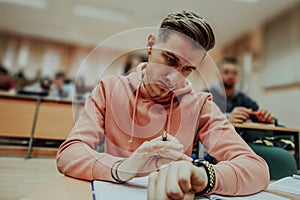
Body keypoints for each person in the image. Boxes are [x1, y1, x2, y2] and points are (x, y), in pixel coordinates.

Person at [56, 11, 269, 199]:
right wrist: (123, 168)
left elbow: (257, 170)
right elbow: (69, 153)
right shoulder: (109, 88)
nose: (175, 77)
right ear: (150, 45)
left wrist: (202, 175)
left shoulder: (199, 104)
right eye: (170, 60)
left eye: (187, 69)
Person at [206, 57, 276, 124]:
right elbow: (198, 120)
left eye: (234, 73)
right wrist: (226, 118)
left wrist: (266, 119)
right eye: (226, 72)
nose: (230, 76)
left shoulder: (244, 99)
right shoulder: (205, 96)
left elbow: (260, 115)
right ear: (217, 74)